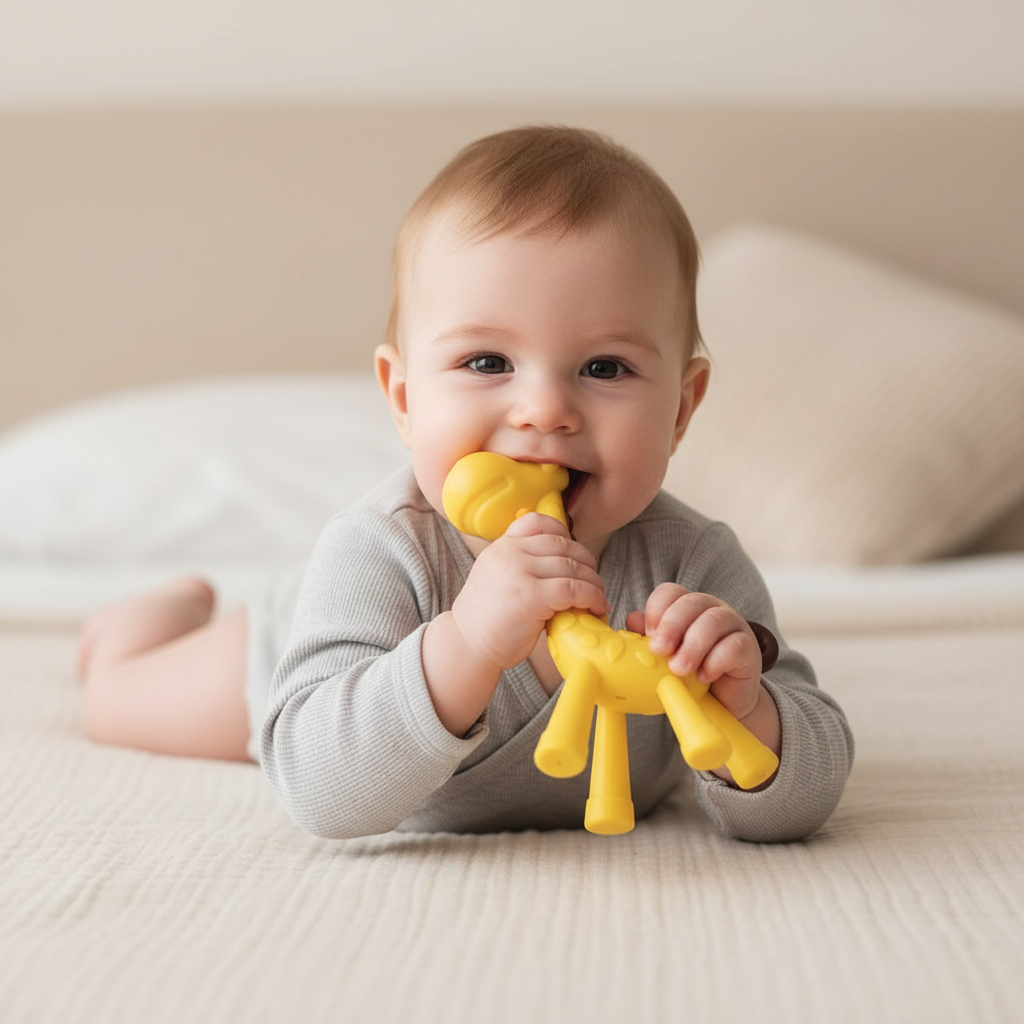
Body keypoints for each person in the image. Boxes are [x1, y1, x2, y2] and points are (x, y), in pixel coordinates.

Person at [79, 125, 854, 841]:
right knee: (116, 703)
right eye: (487, 362)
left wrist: (749, 708)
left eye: (604, 367)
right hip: (302, 645)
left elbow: (809, 793)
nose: (545, 409)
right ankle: (140, 624)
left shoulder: (694, 568)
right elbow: (319, 790)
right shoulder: (381, 549)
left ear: (681, 409)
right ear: (406, 398)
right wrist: (469, 641)